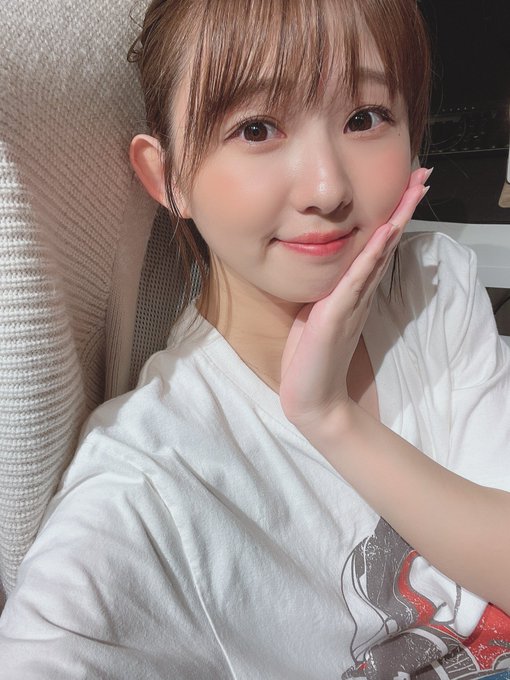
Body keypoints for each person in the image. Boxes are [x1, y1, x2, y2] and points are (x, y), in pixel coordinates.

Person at [1, 0, 509, 678]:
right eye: (257, 128)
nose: (327, 188)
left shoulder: (432, 288)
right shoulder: (148, 478)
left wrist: (331, 419)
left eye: (365, 118)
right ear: (167, 177)